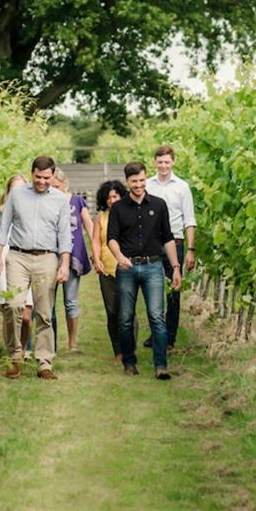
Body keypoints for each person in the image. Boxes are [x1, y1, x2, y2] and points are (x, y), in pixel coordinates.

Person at [0, 156, 71, 380]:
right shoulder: (17, 194)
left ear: (53, 176)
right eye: (38, 177)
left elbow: (64, 235)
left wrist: (64, 264)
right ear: (32, 173)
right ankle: (15, 356)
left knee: (44, 312)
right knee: (14, 305)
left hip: (47, 257)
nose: (42, 182)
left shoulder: (60, 200)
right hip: (18, 255)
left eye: (46, 178)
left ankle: (44, 362)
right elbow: (4, 225)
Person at [105, 161, 181, 380]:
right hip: (127, 267)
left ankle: (161, 365)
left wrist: (175, 267)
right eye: (133, 181)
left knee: (157, 316)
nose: (138, 185)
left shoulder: (159, 205)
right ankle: (129, 362)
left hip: (153, 266)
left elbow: (168, 238)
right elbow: (112, 238)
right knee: (126, 317)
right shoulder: (119, 208)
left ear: (145, 179)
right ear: (127, 182)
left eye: (141, 180)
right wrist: (120, 258)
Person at [144, 144, 198, 350]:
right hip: (153, 244)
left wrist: (191, 250)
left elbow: (189, 220)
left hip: (175, 243)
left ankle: (170, 337)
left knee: (173, 292)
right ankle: (156, 333)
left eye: (167, 162)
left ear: (173, 162)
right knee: (152, 289)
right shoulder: (148, 185)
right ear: (154, 163)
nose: (163, 166)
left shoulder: (182, 187)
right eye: (160, 162)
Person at [0, 174, 34, 351]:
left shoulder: (31, 210)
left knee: (26, 313)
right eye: (15, 188)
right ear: (9, 190)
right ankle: (12, 353)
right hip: (2, 261)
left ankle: (22, 347)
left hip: (23, 260)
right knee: (9, 311)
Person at [50, 169, 93, 350]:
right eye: (51, 186)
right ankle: (49, 343)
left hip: (73, 255)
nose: (54, 189)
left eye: (56, 186)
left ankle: (72, 343)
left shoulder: (77, 201)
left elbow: (90, 227)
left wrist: (96, 252)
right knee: (48, 302)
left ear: (65, 182)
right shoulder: (47, 201)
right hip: (51, 255)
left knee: (71, 300)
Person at [90, 179, 129, 361]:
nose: (112, 200)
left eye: (115, 196)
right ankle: (118, 350)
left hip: (126, 267)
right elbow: (97, 240)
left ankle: (129, 348)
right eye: (109, 197)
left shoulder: (129, 214)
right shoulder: (101, 218)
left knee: (127, 310)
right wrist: (96, 259)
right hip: (107, 268)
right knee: (112, 311)